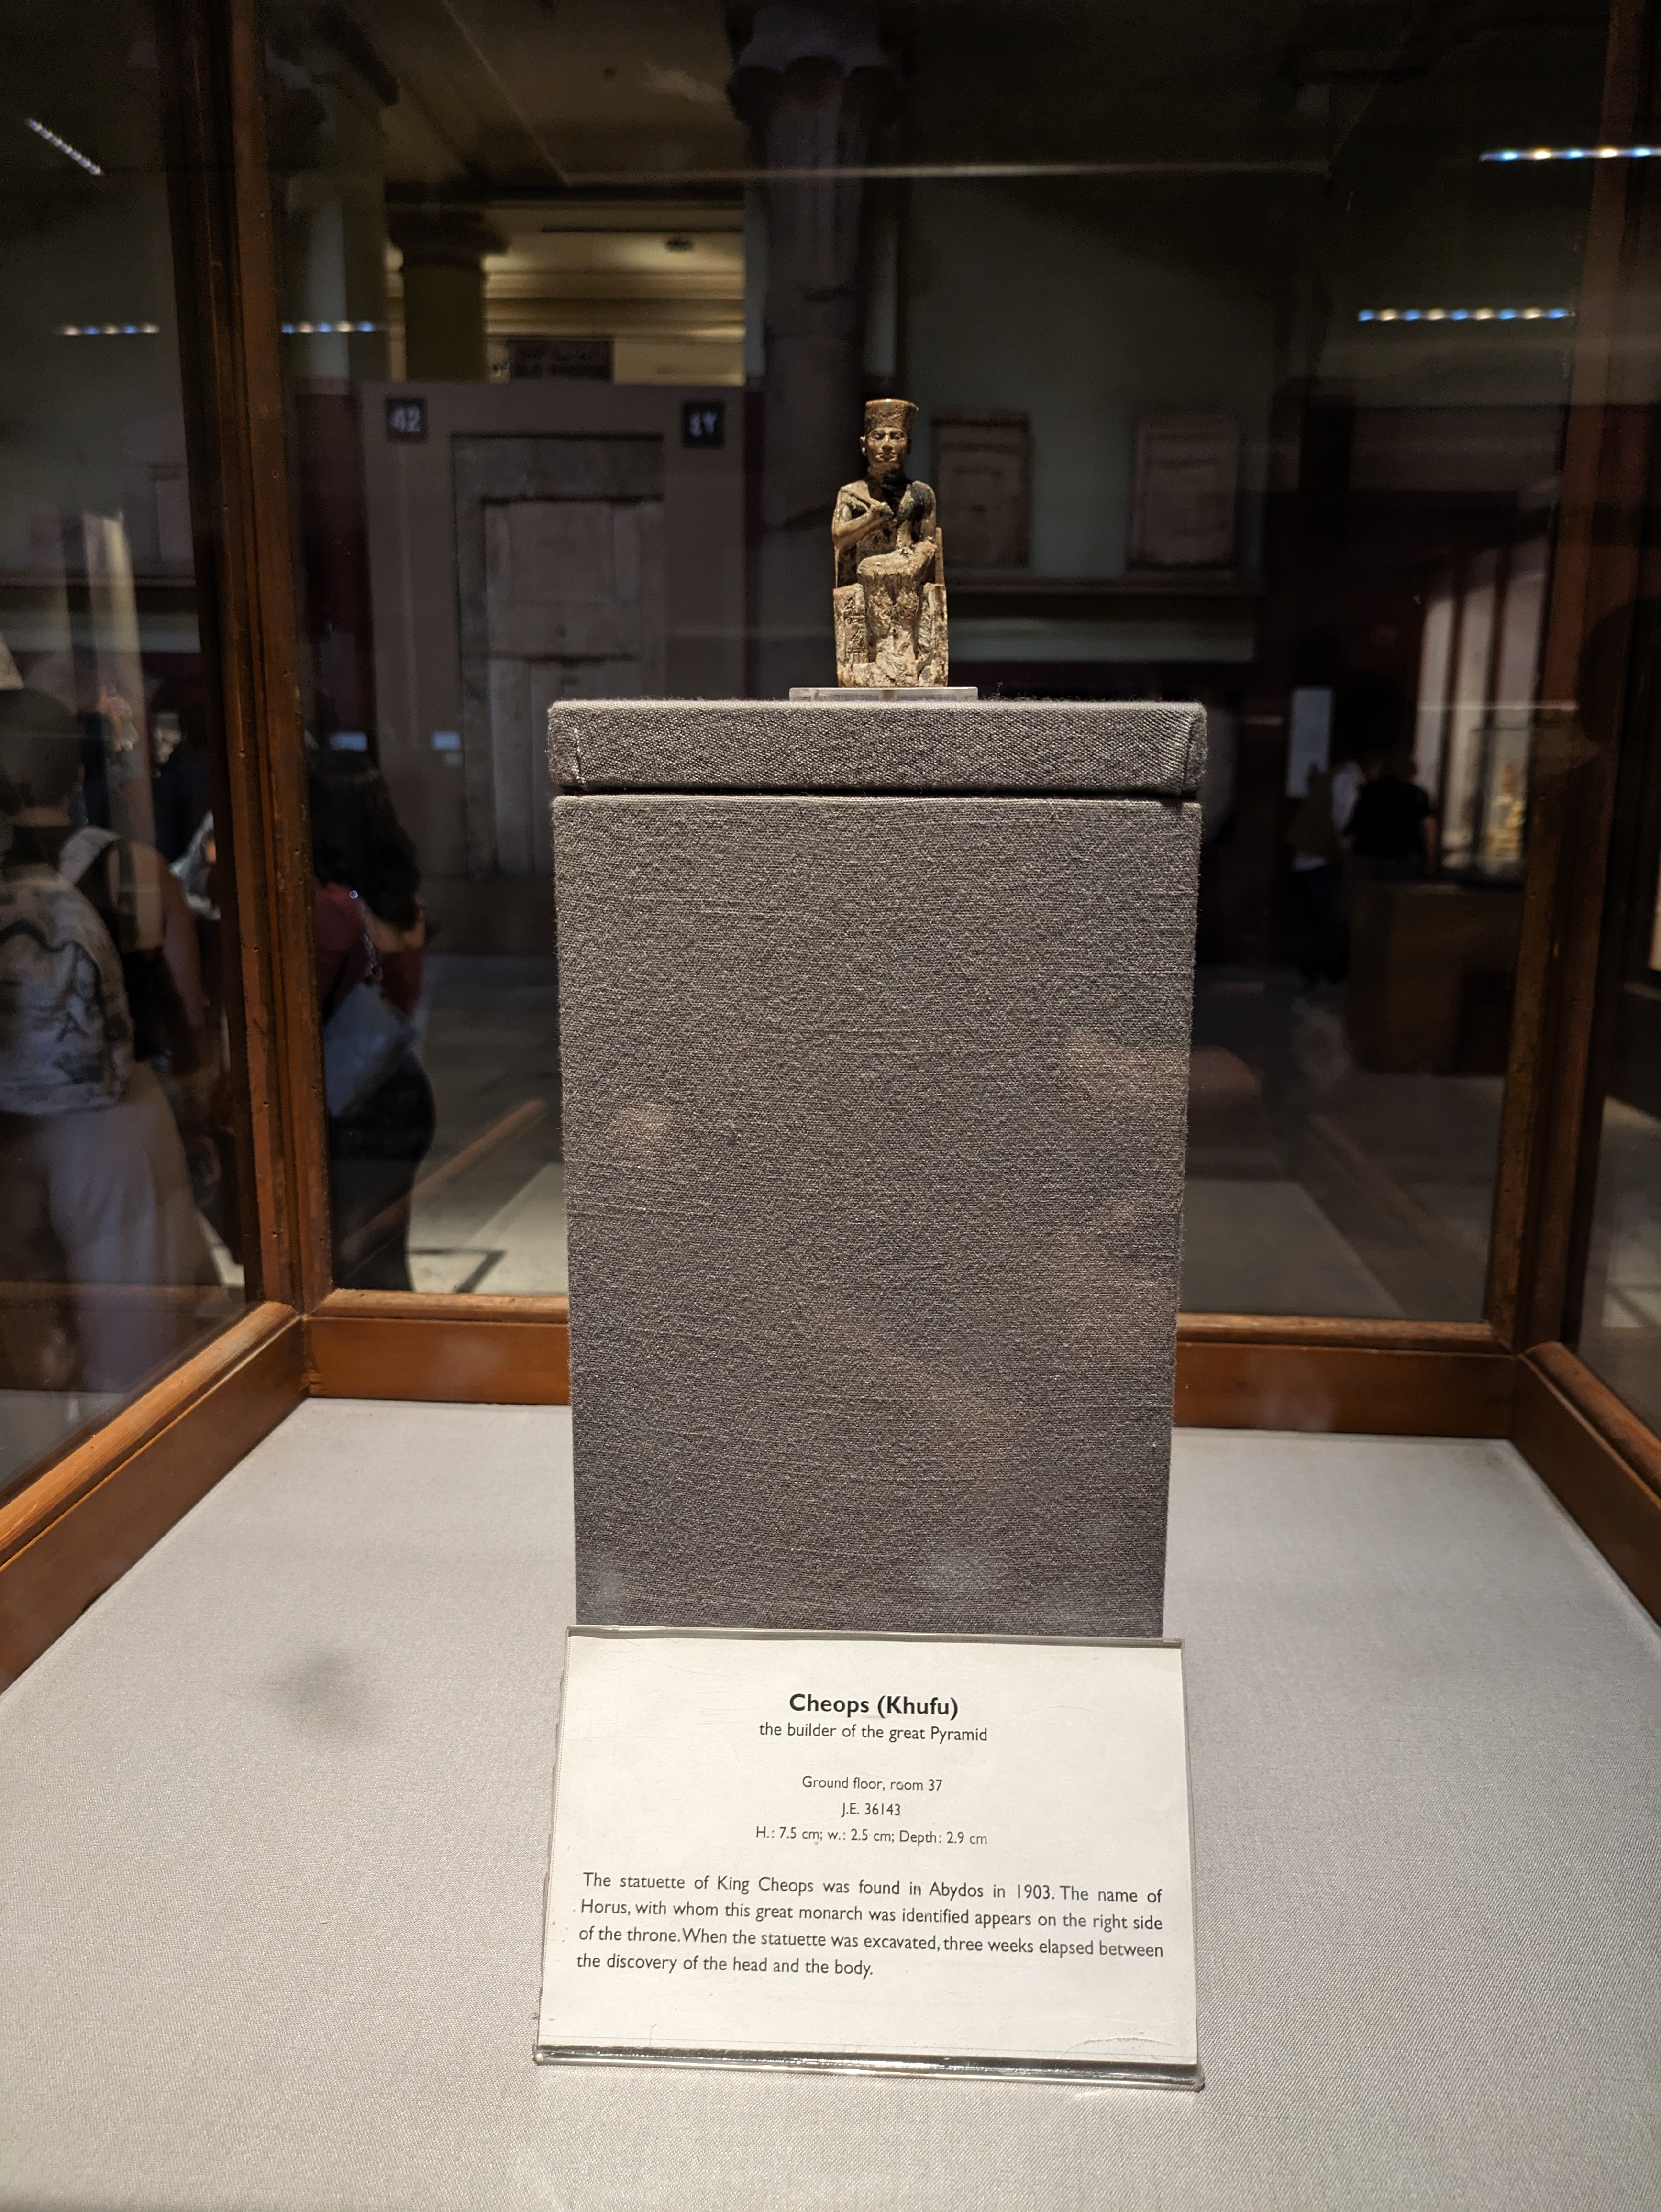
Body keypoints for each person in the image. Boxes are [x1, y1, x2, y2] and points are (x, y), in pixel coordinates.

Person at [0, 687, 215, 1394]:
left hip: (8, 1129)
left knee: (22, 1355)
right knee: (138, 1353)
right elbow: (188, 1016)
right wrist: (199, 1120)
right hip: (117, 1119)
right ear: (76, 772)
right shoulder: (138, 871)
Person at [309, 751, 434, 1290]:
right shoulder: (400, 899)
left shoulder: (331, 909)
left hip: (349, 1102)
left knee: (351, 1274)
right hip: (398, 1088)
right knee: (384, 1262)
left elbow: (304, 1017)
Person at [1347, 746, 1438, 878]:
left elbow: (1355, 827)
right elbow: (1428, 827)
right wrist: (1431, 861)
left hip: (1368, 855)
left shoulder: (1369, 791)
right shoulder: (1416, 794)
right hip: (1403, 858)